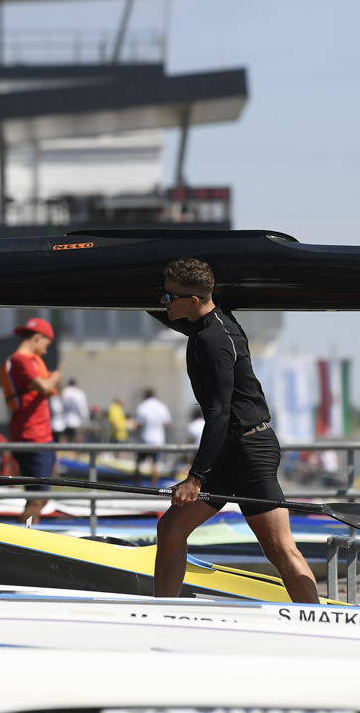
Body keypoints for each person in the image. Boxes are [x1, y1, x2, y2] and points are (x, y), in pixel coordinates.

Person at [148, 258, 318, 603]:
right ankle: (162, 611)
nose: (163, 302)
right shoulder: (204, 322)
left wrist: (195, 478)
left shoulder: (213, 339)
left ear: (193, 301)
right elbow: (170, 312)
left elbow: (219, 413)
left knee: (280, 549)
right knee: (171, 528)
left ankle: (323, 624)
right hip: (228, 452)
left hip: (249, 452)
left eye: (169, 296)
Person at [0, 317, 61, 525]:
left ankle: (23, 536)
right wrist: (55, 377)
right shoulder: (22, 361)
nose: (45, 350)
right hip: (33, 438)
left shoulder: (24, 361)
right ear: (37, 338)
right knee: (39, 497)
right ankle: (23, 541)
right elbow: (43, 388)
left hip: (39, 436)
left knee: (38, 496)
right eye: (46, 344)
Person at [134, 388, 171, 486]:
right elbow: (167, 424)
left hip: (144, 439)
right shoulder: (161, 406)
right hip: (158, 440)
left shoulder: (142, 406)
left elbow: (138, 425)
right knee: (155, 465)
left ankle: (138, 486)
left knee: (138, 464)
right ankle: (153, 487)